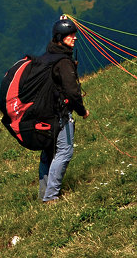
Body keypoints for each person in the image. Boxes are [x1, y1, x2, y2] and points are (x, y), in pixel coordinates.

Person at [38, 16, 89, 202]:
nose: (74, 38)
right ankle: (50, 197)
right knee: (65, 152)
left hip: (43, 114)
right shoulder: (63, 62)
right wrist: (82, 111)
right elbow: (72, 92)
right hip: (59, 114)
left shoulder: (48, 56)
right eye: (70, 36)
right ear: (60, 38)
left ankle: (43, 194)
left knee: (48, 154)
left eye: (74, 35)